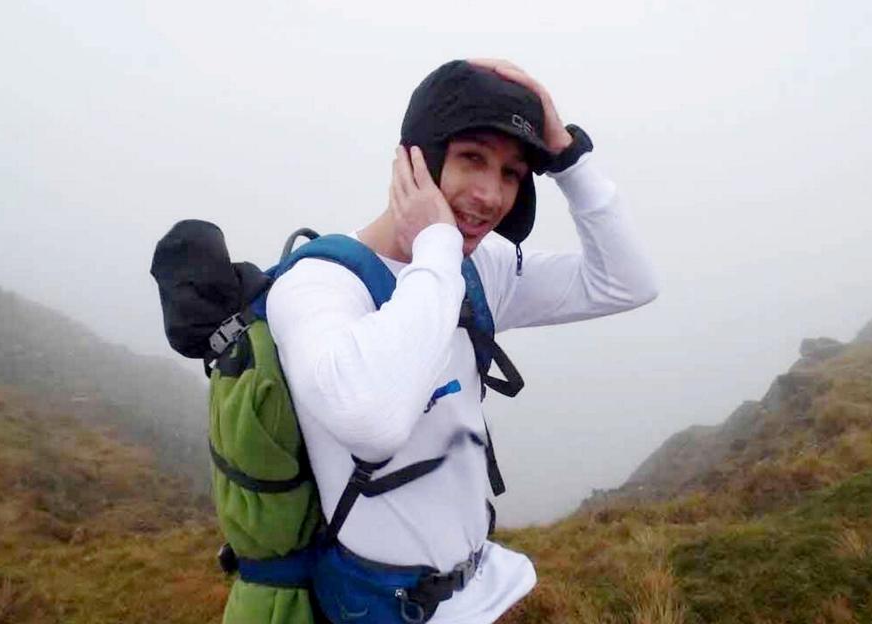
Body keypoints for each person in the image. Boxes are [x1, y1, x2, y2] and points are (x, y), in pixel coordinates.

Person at [266, 58, 658, 623]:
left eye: (511, 173)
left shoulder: (480, 268)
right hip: (381, 606)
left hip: (481, 591)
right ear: (416, 160)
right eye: (472, 158)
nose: (491, 195)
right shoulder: (319, 282)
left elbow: (627, 282)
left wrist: (567, 156)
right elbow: (373, 422)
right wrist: (436, 246)